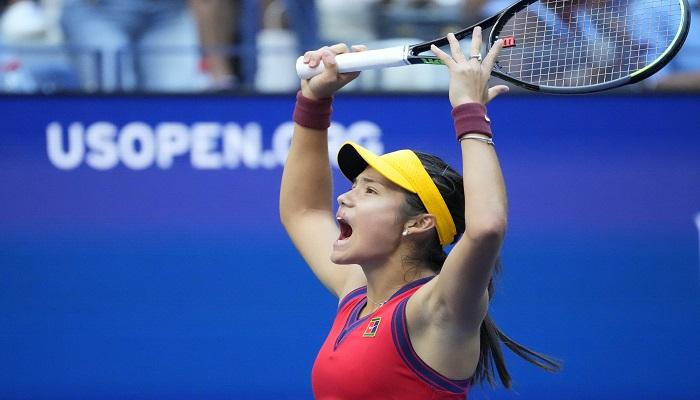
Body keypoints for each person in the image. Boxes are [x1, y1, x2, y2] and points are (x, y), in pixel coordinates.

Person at [280, 27, 561, 398]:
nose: (344, 198)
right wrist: (314, 100)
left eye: (369, 191)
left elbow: (486, 228)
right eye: (354, 186)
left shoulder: (436, 308)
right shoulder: (357, 294)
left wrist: (469, 109)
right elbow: (303, 211)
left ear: (418, 223)